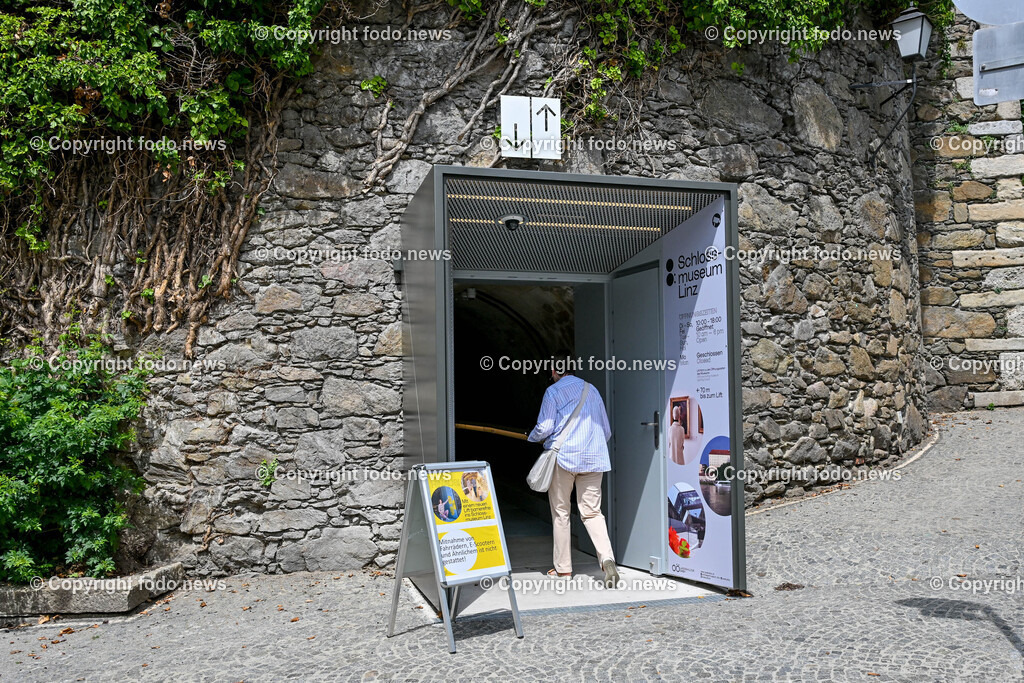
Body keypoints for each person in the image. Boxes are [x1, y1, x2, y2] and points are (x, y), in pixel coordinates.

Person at [526, 351, 620, 587]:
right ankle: (607, 559)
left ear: (554, 371)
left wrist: (532, 437)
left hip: (564, 459)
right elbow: (606, 430)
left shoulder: (553, 391)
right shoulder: (592, 390)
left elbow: (545, 427)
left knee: (561, 512)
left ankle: (564, 570)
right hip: (594, 459)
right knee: (592, 512)